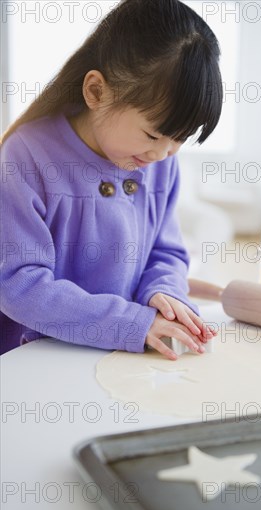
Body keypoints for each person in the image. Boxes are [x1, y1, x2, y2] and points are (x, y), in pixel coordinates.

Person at [0, 0, 222, 358]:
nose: (165, 153)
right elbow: (18, 284)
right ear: (96, 92)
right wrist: (130, 322)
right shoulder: (25, 156)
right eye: (153, 134)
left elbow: (166, 252)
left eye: (181, 138)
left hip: (124, 356)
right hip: (41, 359)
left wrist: (163, 291)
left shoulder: (160, 161)